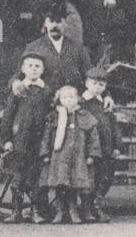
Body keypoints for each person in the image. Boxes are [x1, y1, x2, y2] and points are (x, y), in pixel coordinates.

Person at [1, 52, 51, 224]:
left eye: (37, 66)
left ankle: (35, 211)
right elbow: (8, 116)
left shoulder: (46, 91)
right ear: (22, 69)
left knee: (36, 178)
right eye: (29, 65)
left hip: (38, 142)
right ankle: (16, 211)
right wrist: (7, 139)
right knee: (18, 177)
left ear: (43, 70)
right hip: (20, 140)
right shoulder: (19, 90)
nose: (33, 69)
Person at [39, 85, 102, 224]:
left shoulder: (84, 116)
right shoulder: (54, 117)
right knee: (61, 184)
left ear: (78, 99)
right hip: (59, 158)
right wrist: (44, 153)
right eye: (65, 97)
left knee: (74, 184)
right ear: (59, 99)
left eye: (72, 97)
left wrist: (92, 154)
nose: (68, 100)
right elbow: (46, 136)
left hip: (77, 158)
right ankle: (60, 211)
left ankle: (74, 211)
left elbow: (93, 137)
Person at [19, 0, 92, 92]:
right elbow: (19, 74)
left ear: (65, 23)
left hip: (70, 101)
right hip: (43, 101)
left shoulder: (78, 48)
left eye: (58, 21)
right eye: (50, 21)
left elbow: (91, 76)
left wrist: (106, 95)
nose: (54, 26)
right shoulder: (34, 47)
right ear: (45, 23)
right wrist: (15, 82)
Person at [78, 66, 118, 221]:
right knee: (89, 176)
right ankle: (87, 208)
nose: (97, 87)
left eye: (101, 84)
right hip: (87, 147)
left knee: (105, 176)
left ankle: (97, 205)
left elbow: (114, 126)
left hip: (105, 146)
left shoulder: (106, 104)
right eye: (94, 83)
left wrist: (117, 145)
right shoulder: (80, 103)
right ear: (87, 83)